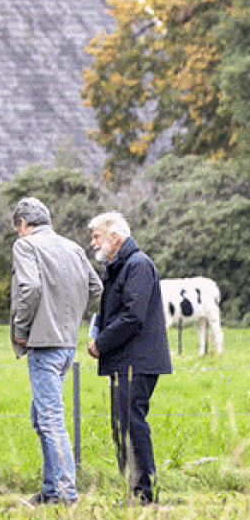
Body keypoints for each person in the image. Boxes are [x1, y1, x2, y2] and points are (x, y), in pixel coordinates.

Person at [10, 197, 103, 507]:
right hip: (66, 345)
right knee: (42, 416)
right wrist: (71, 315)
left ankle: (64, 494)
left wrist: (21, 331)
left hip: (43, 344)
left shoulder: (26, 246)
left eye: (17, 228)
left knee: (49, 419)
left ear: (23, 224)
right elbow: (96, 288)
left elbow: (30, 288)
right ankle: (50, 490)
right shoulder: (73, 248)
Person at [88, 211, 172, 505]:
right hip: (126, 361)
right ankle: (135, 492)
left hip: (138, 362)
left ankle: (143, 495)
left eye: (97, 236)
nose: (93, 242)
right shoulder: (120, 266)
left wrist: (101, 343)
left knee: (132, 424)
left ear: (114, 236)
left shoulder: (137, 265)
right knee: (124, 425)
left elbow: (132, 317)